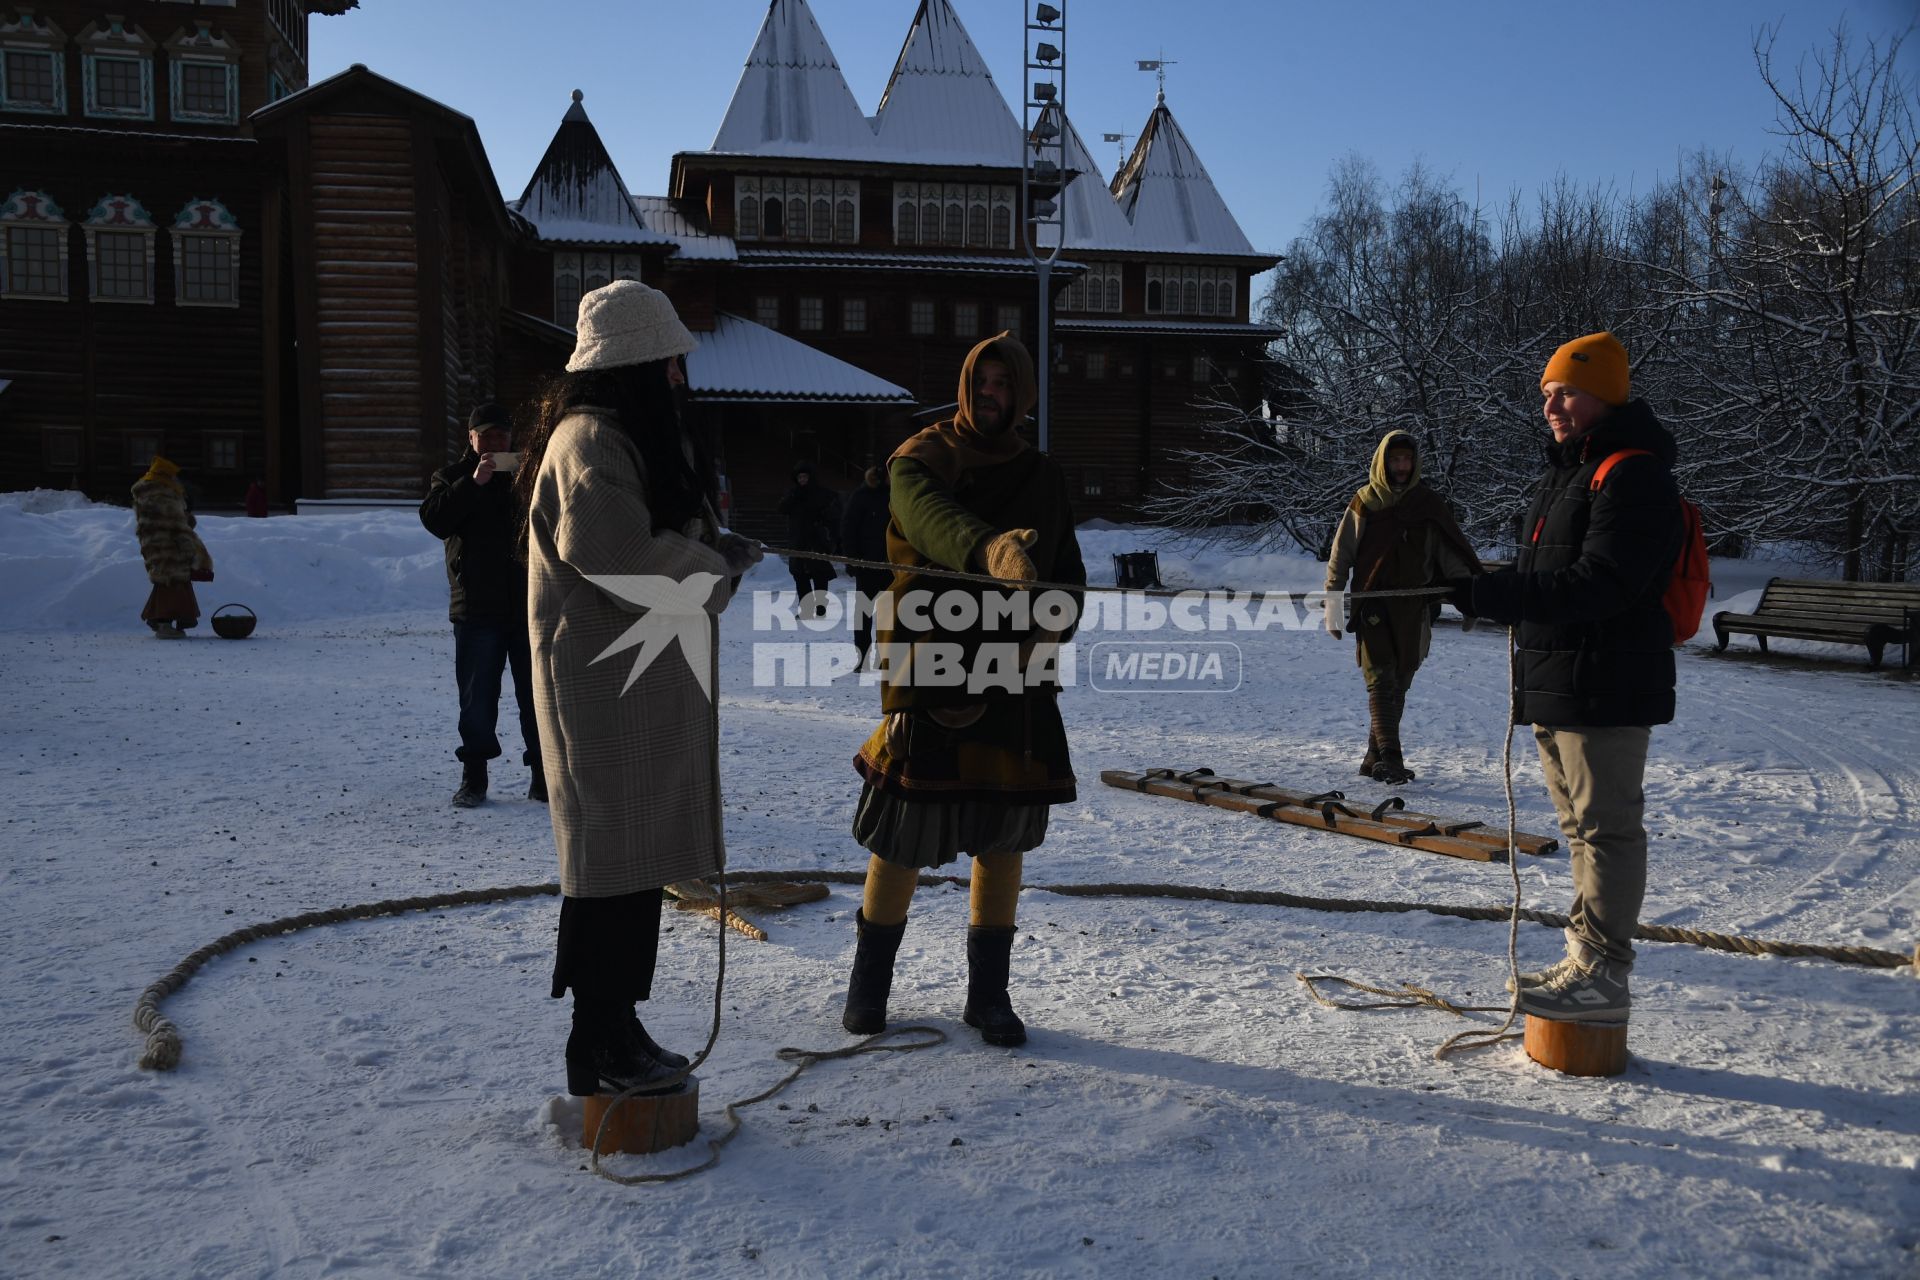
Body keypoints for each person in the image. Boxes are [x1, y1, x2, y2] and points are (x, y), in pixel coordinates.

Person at [515, 280, 763, 1096]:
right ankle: (597, 1041)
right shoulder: (587, 439)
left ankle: (619, 1025)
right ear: (635, 364)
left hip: (635, 685)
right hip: (603, 689)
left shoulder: (611, 434)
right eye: (669, 365)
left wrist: (709, 540)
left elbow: (646, 531)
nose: (678, 381)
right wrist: (711, 566)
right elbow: (617, 553)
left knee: (635, 866)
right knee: (609, 873)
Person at [841, 332, 1085, 1048]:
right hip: (932, 656)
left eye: (1006, 386)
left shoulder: (1044, 475)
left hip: (1016, 669)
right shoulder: (922, 458)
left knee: (1003, 827)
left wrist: (1055, 624)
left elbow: (1067, 569)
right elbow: (927, 521)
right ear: (965, 385)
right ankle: (868, 991)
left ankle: (989, 997)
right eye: (983, 383)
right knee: (904, 829)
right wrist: (992, 550)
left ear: (1023, 396)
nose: (991, 397)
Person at [1450, 331, 1682, 1025]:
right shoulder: (1569, 473)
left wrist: (1501, 595)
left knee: (1607, 830)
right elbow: (1547, 577)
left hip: (1605, 683)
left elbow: (1602, 583)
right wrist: (1490, 587)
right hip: (1560, 678)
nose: (1554, 405)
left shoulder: (1633, 475)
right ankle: (1584, 957)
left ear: (1606, 395)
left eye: (1569, 392)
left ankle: (1605, 974)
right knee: (1581, 829)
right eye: (1548, 393)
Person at [1323, 432, 1481, 784]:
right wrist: (1333, 604)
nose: (1401, 466)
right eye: (1394, 460)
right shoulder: (1365, 502)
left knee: (1401, 680)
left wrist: (1468, 597)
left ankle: (1373, 755)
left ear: (1415, 462)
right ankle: (1391, 758)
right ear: (1383, 462)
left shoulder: (1427, 505)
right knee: (1380, 677)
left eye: (1406, 459)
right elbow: (1341, 555)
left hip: (1413, 609)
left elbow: (1449, 554)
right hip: (1373, 605)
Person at [420, 403, 542, 809]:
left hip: (530, 608)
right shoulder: (452, 477)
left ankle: (543, 775)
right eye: (486, 435)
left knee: (537, 697)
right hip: (475, 610)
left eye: (501, 435)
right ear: (470, 439)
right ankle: (474, 778)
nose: (494, 442)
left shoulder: (528, 476)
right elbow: (435, 520)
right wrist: (474, 483)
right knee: (476, 701)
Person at [131, 455, 212, 638]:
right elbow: (176, 526)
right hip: (169, 546)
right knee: (173, 584)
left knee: (165, 582)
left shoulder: (146, 493)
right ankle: (164, 624)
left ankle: (158, 620)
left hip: (153, 545)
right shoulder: (164, 495)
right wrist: (191, 548)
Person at [840, 464, 892, 667]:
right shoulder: (861, 496)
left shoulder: (896, 496)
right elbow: (848, 527)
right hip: (866, 564)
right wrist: (852, 559)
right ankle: (862, 657)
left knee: (887, 613)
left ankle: (883, 655)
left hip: (890, 564)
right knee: (864, 612)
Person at [777, 463, 839, 615]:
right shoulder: (793, 494)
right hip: (798, 541)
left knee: (820, 575)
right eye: (799, 477)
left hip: (817, 540)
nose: (802, 480)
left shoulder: (822, 494)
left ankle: (820, 607)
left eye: (805, 476)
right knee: (800, 576)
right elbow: (782, 509)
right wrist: (793, 497)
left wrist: (829, 536)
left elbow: (831, 515)